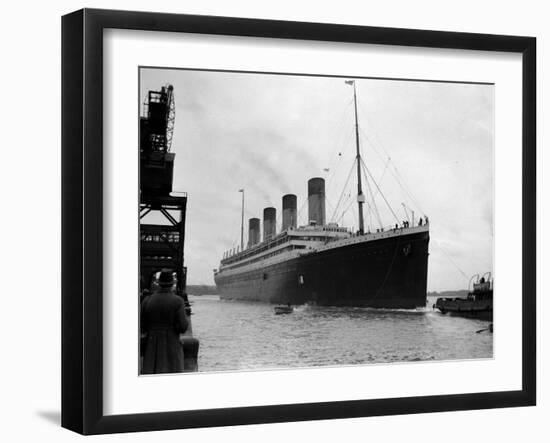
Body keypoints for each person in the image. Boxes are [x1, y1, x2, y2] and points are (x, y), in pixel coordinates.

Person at [140, 269, 189, 374]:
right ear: (172, 284)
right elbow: (183, 327)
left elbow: (142, 326)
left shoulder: (147, 300)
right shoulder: (178, 301)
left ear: (158, 283)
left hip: (151, 346)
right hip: (172, 345)